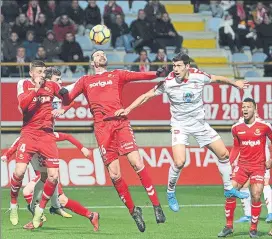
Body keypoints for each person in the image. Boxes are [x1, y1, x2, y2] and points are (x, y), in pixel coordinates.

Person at [114, 53, 250, 213]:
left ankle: (228, 188)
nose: (175, 69)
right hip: (180, 125)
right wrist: (129, 109)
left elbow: (218, 78)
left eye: (179, 66)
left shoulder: (199, 76)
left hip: (199, 124)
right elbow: (146, 96)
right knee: (179, 162)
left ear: (187, 66)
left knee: (224, 155)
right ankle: (170, 192)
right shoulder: (168, 82)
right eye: (174, 66)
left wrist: (236, 83)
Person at [59, 50, 167, 232]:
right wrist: (61, 93)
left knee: (137, 162)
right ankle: (134, 211)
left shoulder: (116, 74)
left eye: (103, 54)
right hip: (102, 130)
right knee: (115, 174)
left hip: (120, 123)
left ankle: (156, 206)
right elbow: (69, 98)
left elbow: (138, 76)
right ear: (93, 62)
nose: (102, 56)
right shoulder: (85, 81)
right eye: (98, 55)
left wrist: (156, 73)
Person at [8, 60, 69, 228]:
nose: (42, 74)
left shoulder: (51, 85)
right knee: (19, 172)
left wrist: (64, 107)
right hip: (29, 134)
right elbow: (23, 105)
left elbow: (67, 96)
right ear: (32, 73)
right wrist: (36, 89)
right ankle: (13, 204)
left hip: (47, 136)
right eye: (39, 72)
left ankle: (40, 211)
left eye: (44, 72)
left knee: (52, 176)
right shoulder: (24, 84)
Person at [1, 131, 99, 231]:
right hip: (43, 177)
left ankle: (39, 218)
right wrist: (6, 156)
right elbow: (13, 147)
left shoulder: (47, 135)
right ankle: (91, 215)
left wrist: (82, 148)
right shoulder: (25, 139)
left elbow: (67, 136)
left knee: (27, 191)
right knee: (63, 200)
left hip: (49, 176)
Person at [217, 98, 272, 238]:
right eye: (243, 107)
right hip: (242, 166)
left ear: (255, 109)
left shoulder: (265, 126)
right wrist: (228, 163)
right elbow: (236, 147)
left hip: (258, 166)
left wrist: (270, 159)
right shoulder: (236, 127)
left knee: (256, 194)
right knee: (230, 192)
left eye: (248, 107)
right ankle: (228, 226)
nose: (245, 109)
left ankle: (253, 229)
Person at [235, 138, 272, 223]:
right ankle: (248, 215)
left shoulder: (264, 125)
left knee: (265, 182)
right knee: (243, 184)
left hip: (262, 155)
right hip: (246, 155)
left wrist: (270, 159)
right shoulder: (238, 126)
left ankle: (270, 213)